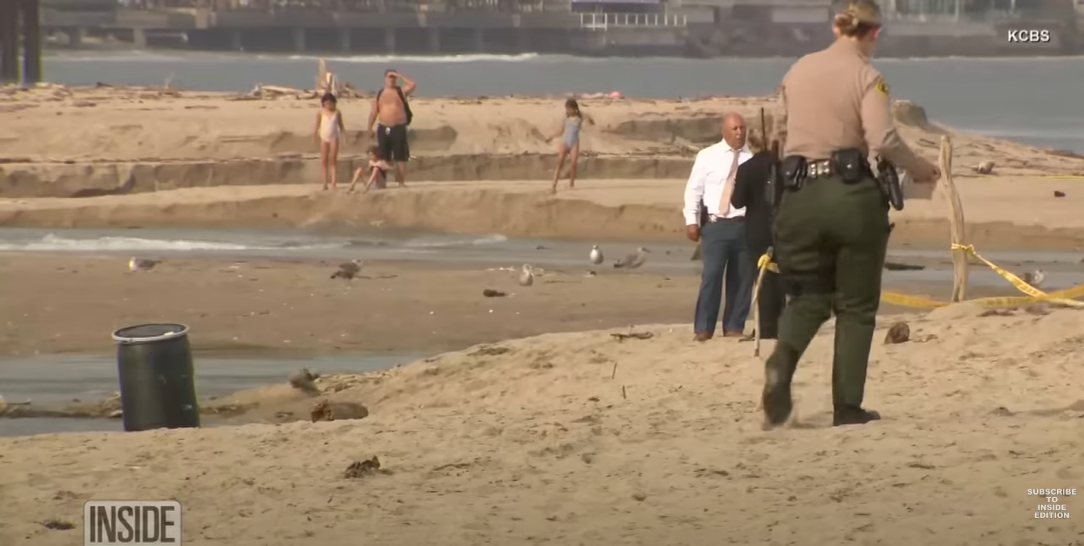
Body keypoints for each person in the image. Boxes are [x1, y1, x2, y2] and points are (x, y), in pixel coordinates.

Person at [761, 0, 940, 428]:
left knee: (808, 297)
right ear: (873, 33)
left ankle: (781, 362)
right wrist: (919, 167)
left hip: (798, 195)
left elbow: (786, 131)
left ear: (836, 26)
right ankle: (847, 407)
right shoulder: (867, 76)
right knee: (856, 306)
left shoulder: (798, 69)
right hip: (849, 195)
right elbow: (881, 138)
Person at [682, 112, 755, 342]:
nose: (739, 133)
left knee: (742, 278)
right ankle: (703, 327)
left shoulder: (752, 159)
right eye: (734, 129)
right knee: (711, 277)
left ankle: (734, 326)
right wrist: (691, 221)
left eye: (742, 128)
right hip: (715, 225)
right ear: (724, 131)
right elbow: (694, 189)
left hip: (743, 225)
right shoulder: (708, 156)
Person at [730, 147, 786, 340]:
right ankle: (779, 324)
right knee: (779, 277)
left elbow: (737, 202)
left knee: (762, 278)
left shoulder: (748, 168)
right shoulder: (785, 166)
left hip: (758, 230)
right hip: (783, 227)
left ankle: (767, 327)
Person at [367, 69, 416, 187]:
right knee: (383, 156)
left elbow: (412, 84)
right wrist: (369, 126)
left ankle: (401, 182)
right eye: (390, 76)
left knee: (401, 155)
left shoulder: (400, 91)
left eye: (394, 77)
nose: (392, 79)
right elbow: (374, 111)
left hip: (398, 127)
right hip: (384, 127)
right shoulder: (380, 93)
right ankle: (381, 182)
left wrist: (399, 75)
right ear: (385, 78)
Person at [546, 99, 594, 194]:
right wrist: (551, 137)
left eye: (569, 108)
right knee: (559, 162)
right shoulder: (566, 119)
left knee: (573, 164)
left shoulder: (579, 118)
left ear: (574, 108)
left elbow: (591, 121)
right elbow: (561, 131)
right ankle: (554, 184)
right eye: (566, 109)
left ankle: (571, 184)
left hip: (574, 142)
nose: (567, 110)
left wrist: (589, 118)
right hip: (565, 142)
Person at [314, 93, 345, 190]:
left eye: (330, 103)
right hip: (323, 137)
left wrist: (344, 137)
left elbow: (341, 125)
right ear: (323, 104)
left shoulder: (337, 112)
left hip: (334, 138)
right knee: (324, 160)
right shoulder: (320, 112)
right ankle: (324, 183)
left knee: (333, 160)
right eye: (326, 103)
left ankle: (333, 182)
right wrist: (314, 136)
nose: (328, 105)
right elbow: (316, 125)